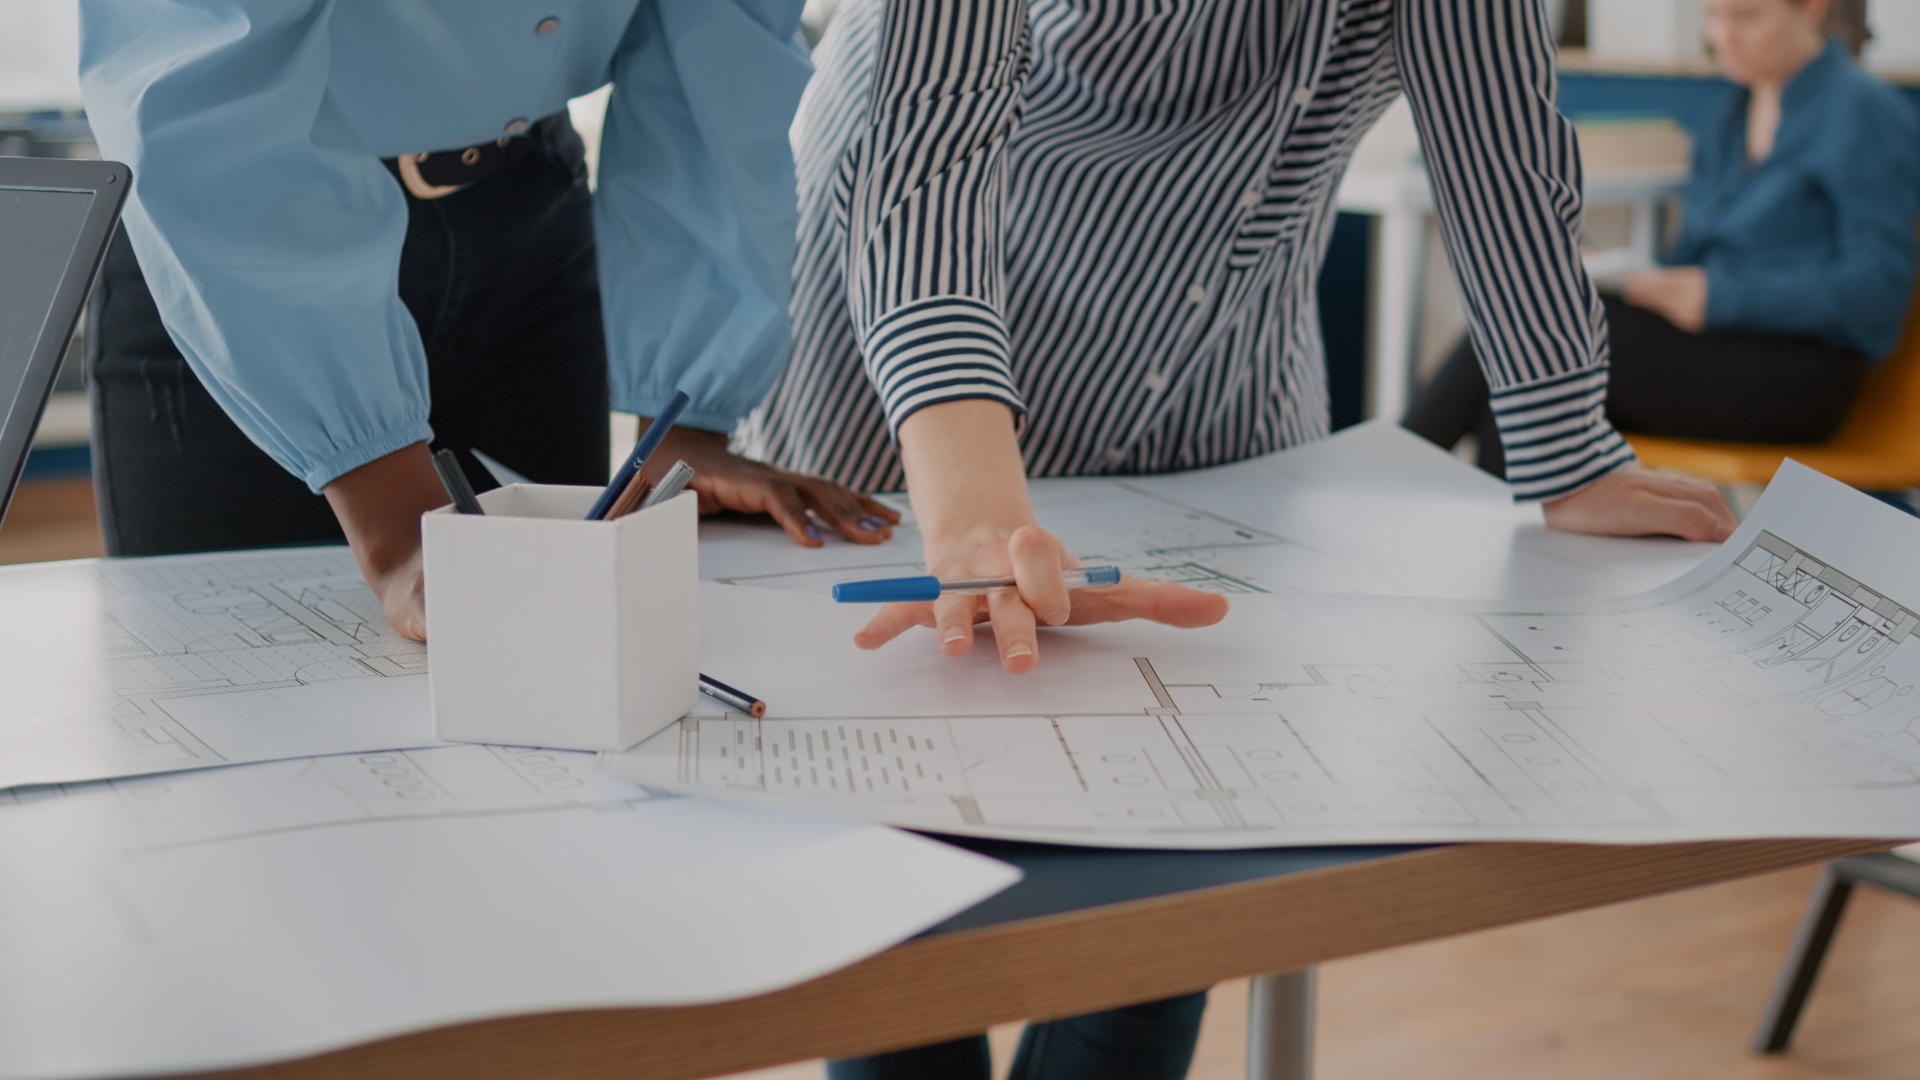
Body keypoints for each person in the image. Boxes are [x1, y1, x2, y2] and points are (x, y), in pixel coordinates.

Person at [729, 1, 1738, 1077]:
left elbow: (1498, 127)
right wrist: (972, 501)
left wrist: (1568, 445)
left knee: (1177, 853)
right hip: (923, 315)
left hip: (1217, 341)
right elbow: (927, 145)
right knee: (918, 835)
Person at [78, 0, 900, 641]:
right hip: (232, 247)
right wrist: (391, 512)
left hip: (530, 220)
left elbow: (715, 63)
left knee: (548, 719)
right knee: (234, 734)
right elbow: (202, 84)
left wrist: (685, 424)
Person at [1406, 0, 1920, 478]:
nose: (1723, 37)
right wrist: (1628, 277)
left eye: (1746, 18)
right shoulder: (1729, 117)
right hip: (1714, 351)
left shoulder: (1865, 112)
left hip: (1799, 377)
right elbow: (1690, 264)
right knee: (1524, 381)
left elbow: (1876, 289)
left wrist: (1721, 298)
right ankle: (1502, 555)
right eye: (1712, 18)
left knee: (1528, 331)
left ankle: (1394, 478)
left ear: (1812, 8)